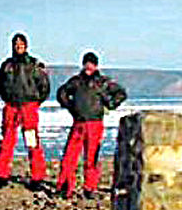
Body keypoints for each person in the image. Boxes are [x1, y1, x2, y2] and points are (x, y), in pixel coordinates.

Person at [54, 51, 127, 199]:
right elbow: (62, 92)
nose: (89, 66)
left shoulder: (102, 82)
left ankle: (90, 188)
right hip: (78, 123)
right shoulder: (76, 81)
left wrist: (111, 104)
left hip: (95, 123)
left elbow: (121, 93)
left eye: (92, 64)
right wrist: (70, 106)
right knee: (69, 156)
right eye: (86, 63)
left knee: (91, 157)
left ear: (96, 66)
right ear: (83, 64)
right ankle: (65, 186)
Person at [0, 32, 50, 190]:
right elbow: (0, 85)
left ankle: (37, 177)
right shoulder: (7, 65)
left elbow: (44, 86)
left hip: (28, 106)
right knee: (7, 140)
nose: (18, 47)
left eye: (21, 44)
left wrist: (35, 102)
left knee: (32, 141)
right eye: (16, 45)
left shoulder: (34, 64)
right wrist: (6, 98)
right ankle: (2, 175)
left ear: (26, 46)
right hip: (11, 106)